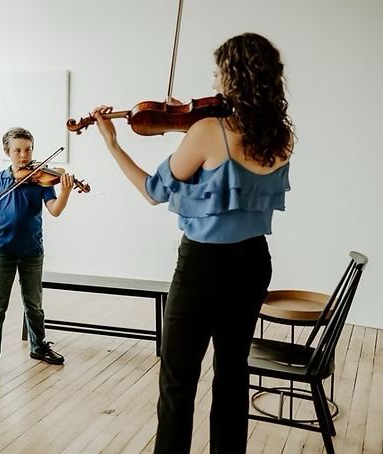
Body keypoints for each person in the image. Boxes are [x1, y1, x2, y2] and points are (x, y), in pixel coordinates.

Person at [92, 33, 294, 454]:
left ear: (233, 76)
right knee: (232, 374)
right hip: (254, 262)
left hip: (203, 268)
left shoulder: (208, 130)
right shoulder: (281, 138)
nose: (215, 81)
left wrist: (113, 143)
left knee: (178, 381)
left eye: (220, 72)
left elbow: (152, 190)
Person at [0, 127, 75, 381]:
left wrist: (66, 191)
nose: (24, 156)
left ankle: (39, 346)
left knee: (34, 304)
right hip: (2, 250)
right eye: (18, 151)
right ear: (7, 152)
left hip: (32, 251)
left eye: (28, 150)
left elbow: (55, 210)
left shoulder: (41, 180)